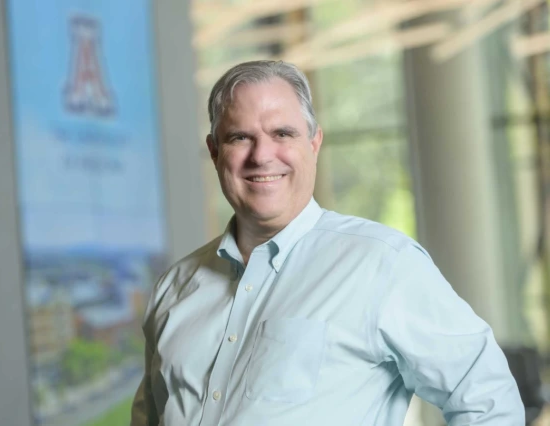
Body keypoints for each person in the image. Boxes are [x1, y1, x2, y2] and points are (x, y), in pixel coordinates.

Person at [131, 60, 524, 426]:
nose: (262, 155)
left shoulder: (382, 265)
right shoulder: (175, 287)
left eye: (282, 133)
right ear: (215, 152)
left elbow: (488, 401)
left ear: (314, 143)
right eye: (239, 138)